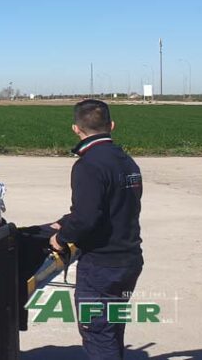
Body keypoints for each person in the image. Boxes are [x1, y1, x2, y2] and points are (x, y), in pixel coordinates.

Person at [49, 99, 144, 360]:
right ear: (111, 125)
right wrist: (66, 221)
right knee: (112, 328)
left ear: (76, 129)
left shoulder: (89, 165)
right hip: (129, 260)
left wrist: (61, 237)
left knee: (98, 332)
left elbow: (87, 218)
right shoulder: (126, 161)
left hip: (103, 265)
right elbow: (114, 205)